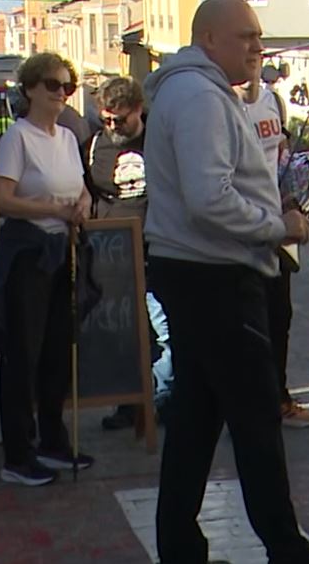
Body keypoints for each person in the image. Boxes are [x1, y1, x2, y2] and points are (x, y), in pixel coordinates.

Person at [142, 0, 309, 564]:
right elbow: (208, 198)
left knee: (197, 419)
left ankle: (180, 547)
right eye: (246, 36)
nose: (257, 47)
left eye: (259, 37)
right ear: (210, 39)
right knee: (255, 419)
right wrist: (277, 227)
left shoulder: (199, 91)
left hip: (202, 271)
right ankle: (287, 551)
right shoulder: (198, 95)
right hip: (215, 276)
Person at [0, 53, 93, 487]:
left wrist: (81, 206)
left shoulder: (67, 137)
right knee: (23, 353)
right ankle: (17, 453)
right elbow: (2, 200)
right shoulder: (16, 138)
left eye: (67, 85)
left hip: (63, 249)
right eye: (52, 85)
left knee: (56, 351)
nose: (61, 93)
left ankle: (53, 438)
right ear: (29, 89)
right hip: (28, 253)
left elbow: (81, 187)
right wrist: (50, 208)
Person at [88, 77, 171, 432]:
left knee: (165, 332)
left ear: (138, 110)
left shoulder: (159, 137)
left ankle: (160, 398)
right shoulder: (93, 144)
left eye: (120, 120)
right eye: (106, 120)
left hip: (156, 248)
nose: (112, 128)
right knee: (124, 333)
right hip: (113, 252)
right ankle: (128, 404)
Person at [240, 67, 309, 429]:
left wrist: (289, 202)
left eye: (256, 56)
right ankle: (248, 407)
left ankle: (280, 398)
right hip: (241, 229)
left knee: (280, 316)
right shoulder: (218, 106)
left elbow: (280, 157)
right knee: (246, 324)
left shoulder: (271, 101)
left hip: (278, 225)